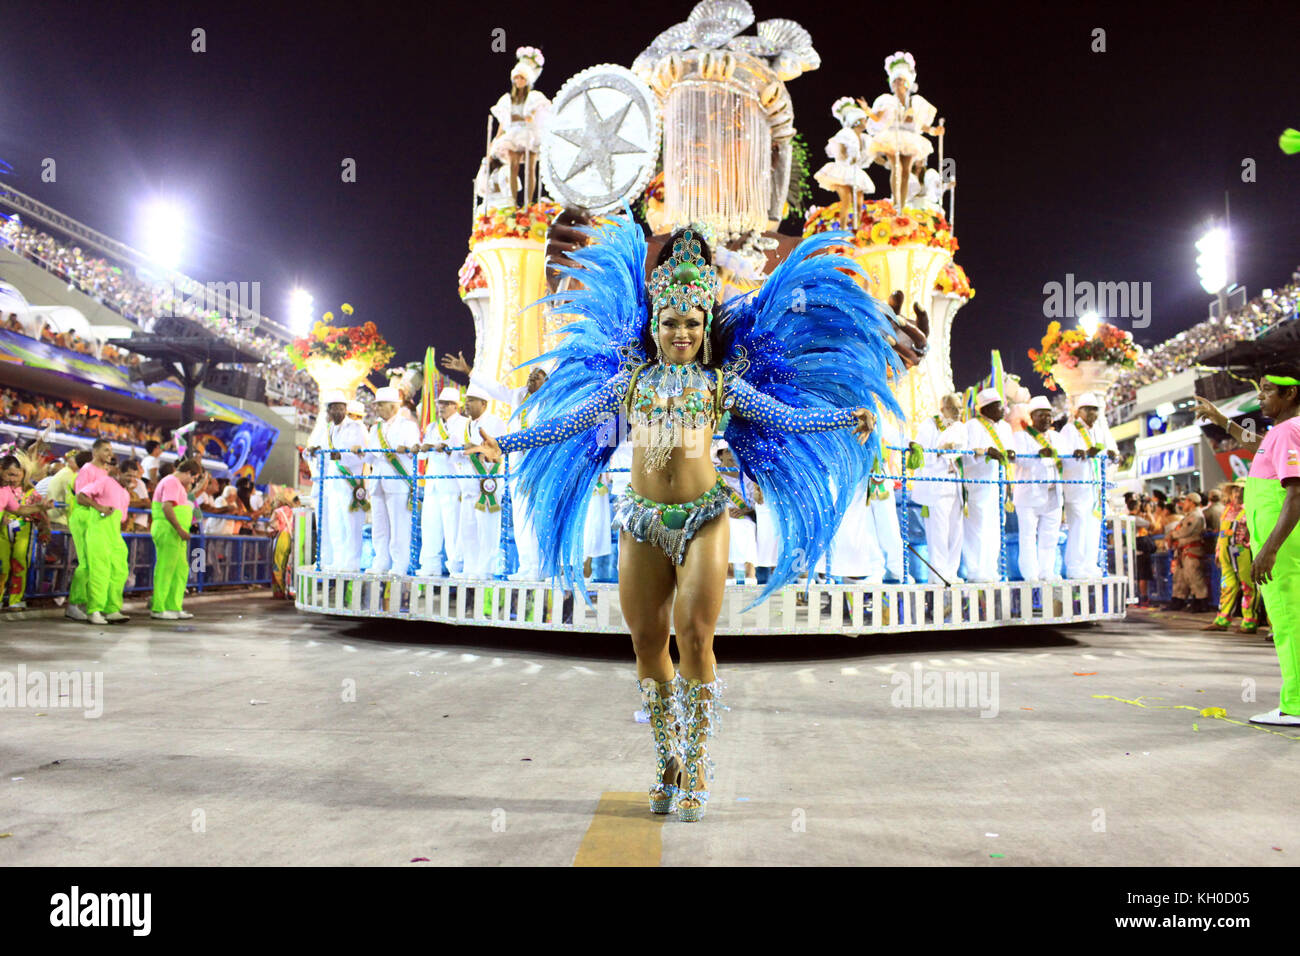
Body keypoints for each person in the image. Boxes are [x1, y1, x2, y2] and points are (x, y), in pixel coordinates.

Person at [466, 218, 896, 822]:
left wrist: (840, 420)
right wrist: (506, 445)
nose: (682, 334)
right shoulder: (630, 384)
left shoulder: (722, 386)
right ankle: (667, 753)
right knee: (646, 643)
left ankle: (696, 759)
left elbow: (783, 418)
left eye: (693, 323)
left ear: (704, 327)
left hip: (704, 518)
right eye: (671, 322)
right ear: (654, 324)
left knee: (695, 635)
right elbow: (567, 424)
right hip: (641, 520)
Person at [1221, 367, 1300, 725]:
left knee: (1288, 622)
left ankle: (1295, 706)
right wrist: (1221, 420)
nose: (1260, 397)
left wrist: (1268, 549)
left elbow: (1296, 495)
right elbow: (1258, 445)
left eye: (1268, 391)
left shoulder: (1287, 431)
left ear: (1291, 394)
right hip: (1281, 544)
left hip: (1279, 546)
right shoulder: (1281, 433)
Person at [444, 350, 549, 581]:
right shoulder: (518, 396)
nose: (531, 378)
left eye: (538, 375)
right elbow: (494, 389)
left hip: (540, 464)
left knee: (538, 516)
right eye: (531, 374)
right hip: (518, 465)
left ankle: (541, 568)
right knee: (521, 516)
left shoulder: (551, 401)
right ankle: (527, 567)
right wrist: (469, 371)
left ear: (548, 380)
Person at [862, 51, 943, 209]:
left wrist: (934, 131)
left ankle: (902, 204)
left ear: (907, 83)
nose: (898, 83)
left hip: (910, 138)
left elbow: (922, 125)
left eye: (901, 80)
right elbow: (877, 117)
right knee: (896, 168)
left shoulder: (915, 102)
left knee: (906, 171)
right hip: (893, 137)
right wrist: (867, 110)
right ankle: (896, 202)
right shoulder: (887, 100)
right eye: (896, 80)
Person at [1056, 393, 1119, 579]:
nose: (1092, 413)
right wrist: (1083, 454)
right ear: (1078, 412)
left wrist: (1111, 457)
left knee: (1093, 527)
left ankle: (1090, 565)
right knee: (1078, 527)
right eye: (1088, 409)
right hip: (1077, 487)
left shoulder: (1098, 431)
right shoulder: (1069, 430)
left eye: (1095, 410)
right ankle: (1075, 567)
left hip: (1094, 487)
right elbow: (1064, 458)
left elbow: (1101, 458)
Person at [304, 392, 367, 572]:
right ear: (329, 411)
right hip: (333, 485)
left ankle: (352, 563)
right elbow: (319, 452)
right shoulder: (328, 430)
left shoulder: (355, 428)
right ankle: (339, 561)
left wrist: (341, 455)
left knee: (351, 526)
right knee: (336, 525)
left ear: (346, 409)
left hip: (350, 484)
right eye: (335, 408)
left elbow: (360, 456)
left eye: (341, 408)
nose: (339, 412)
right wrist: (312, 451)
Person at [451, 383, 507, 579]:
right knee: (468, 528)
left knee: (487, 528)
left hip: (487, 484)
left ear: (484, 403)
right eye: (466, 400)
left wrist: (475, 447)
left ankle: (486, 569)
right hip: (467, 483)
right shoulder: (465, 425)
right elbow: (457, 452)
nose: (467, 404)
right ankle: (471, 568)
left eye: (471, 401)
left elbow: (498, 451)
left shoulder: (496, 422)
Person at [910, 392, 966, 584]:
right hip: (936, 486)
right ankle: (939, 574)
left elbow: (964, 449)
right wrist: (941, 451)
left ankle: (952, 571)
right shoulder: (929, 424)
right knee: (938, 533)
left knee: (956, 531)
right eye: (953, 408)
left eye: (960, 408)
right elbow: (921, 453)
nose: (958, 412)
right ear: (942, 409)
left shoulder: (960, 427)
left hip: (955, 486)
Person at [961, 388, 1015, 583]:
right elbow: (967, 454)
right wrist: (985, 452)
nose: (1002, 409)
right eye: (998, 405)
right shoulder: (973, 425)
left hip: (998, 484)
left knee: (994, 527)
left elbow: (1010, 451)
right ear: (986, 408)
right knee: (977, 527)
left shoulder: (1006, 428)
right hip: (978, 484)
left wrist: (1010, 454)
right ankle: (975, 571)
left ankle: (990, 568)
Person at [365, 386, 420, 576]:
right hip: (378, 479)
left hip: (398, 480)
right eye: (377, 405)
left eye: (381, 405)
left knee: (399, 526)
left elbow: (413, 451)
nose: (377, 408)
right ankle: (380, 561)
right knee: (379, 525)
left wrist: (405, 449)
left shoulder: (408, 426)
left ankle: (400, 564)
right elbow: (370, 455)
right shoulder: (375, 428)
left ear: (393, 406)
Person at [416, 387, 469, 576]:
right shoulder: (432, 426)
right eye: (440, 403)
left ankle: (456, 565)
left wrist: (445, 447)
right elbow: (422, 455)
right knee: (430, 524)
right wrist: (424, 447)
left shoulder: (464, 423)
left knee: (452, 525)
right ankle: (430, 565)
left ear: (456, 406)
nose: (442, 407)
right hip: (433, 481)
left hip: (452, 481)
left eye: (446, 404)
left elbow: (463, 449)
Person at [74, 448, 131, 624]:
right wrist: (98, 507)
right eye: (128, 476)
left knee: (120, 571)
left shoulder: (126, 494)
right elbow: (81, 496)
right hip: (98, 531)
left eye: (134, 477)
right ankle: (94, 610)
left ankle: (112, 609)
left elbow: (121, 518)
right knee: (100, 571)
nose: (131, 480)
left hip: (115, 535)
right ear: (119, 472)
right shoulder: (105, 481)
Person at [488, 46, 550, 207]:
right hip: (513, 133)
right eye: (516, 78)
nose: (519, 81)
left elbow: (543, 114)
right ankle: (514, 201)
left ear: (527, 80)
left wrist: (533, 117)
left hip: (529, 133)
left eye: (522, 78)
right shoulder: (508, 99)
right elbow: (503, 121)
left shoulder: (534, 97)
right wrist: (496, 138)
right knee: (513, 166)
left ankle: (529, 203)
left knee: (530, 168)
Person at [1011, 396, 1064, 581]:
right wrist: (1038, 454)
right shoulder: (1021, 436)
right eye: (1042, 415)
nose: (1047, 419)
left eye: (1049, 415)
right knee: (1028, 537)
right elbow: (1019, 460)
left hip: (1053, 494)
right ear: (1032, 417)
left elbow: (1065, 459)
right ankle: (1030, 574)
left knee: (1050, 537)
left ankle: (1047, 572)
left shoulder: (1057, 437)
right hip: (1029, 496)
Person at [150, 460, 202, 620]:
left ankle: (173, 606)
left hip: (176, 533)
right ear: (188, 473)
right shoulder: (171, 482)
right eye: (193, 478)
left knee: (180, 569)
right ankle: (159, 608)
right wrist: (179, 528)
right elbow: (167, 507)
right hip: (169, 529)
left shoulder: (178, 485)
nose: (192, 482)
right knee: (166, 568)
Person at [813, 97, 875, 227]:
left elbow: (871, 153)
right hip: (843, 170)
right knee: (846, 202)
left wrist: (885, 163)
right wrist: (846, 156)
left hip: (856, 172)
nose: (866, 122)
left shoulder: (865, 138)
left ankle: (856, 229)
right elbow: (838, 149)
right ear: (857, 121)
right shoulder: (846, 133)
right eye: (864, 120)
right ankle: (842, 230)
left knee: (858, 203)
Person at [1207, 482, 1259, 631]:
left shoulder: (1250, 509)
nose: (1238, 493)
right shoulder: (1226, 510)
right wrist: (1218, 551)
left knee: (1248, 585)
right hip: (1226, 552)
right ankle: (1222, 619)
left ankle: (1249, 621)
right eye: (1236, 490)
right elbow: (1221, 533)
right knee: (1227, 586)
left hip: (1243, 551)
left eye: (1242, 490)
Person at [0, 453, 50, 609]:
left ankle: (15, 599)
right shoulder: (6, 488)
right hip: (3, 532)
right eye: (11, 474)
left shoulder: (28, 491)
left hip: (22, 530)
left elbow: (22, 509)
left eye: (17, 474)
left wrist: (43, 522)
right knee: (2, 565)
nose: (14, 478)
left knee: (18, 564)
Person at [1167, 492, 1210, 612]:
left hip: (1192, 551)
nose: (1183, 504)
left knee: (1194, 577)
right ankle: (1178, 600)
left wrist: (1172, 535)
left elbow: (1186, 531)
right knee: (1181, 578)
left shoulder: (1196, 516)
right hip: (1184, 551)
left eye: (1185, 501)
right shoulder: (1189, 516)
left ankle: (1201, 602)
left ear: (1191, 502)